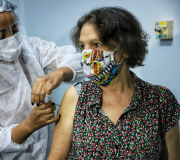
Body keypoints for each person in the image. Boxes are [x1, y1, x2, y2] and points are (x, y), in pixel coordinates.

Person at [48, 7, 180, 160]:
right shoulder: (76, 96)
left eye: (96, 44)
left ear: (125, 49)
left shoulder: (160, 99)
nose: (87, 55)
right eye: (83, 46)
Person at [0, 0, 84, 159]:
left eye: (15, 29)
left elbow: (80, 61)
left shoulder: (31, 48)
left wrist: (58, 74)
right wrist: (27, 126)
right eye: (1, 35)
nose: (11, 38)